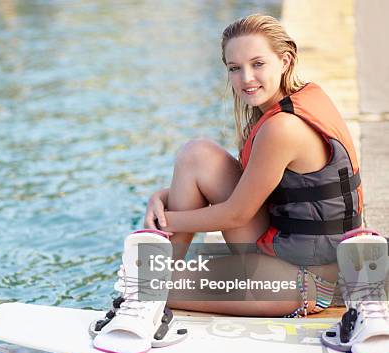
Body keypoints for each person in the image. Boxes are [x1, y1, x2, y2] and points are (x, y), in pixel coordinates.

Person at [142, 14, 363, 318]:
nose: (246, 78)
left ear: (285, 61)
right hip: (285, 255)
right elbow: (258, 186)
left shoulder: (282, 128)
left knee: (144, 286)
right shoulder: (290, 103)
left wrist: (164, 222)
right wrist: (162, 198)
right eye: (235, 68)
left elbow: (237, 214)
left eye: (258, 64)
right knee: (197, 154)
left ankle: (154, 281)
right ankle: (160, 271)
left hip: (307, 282)